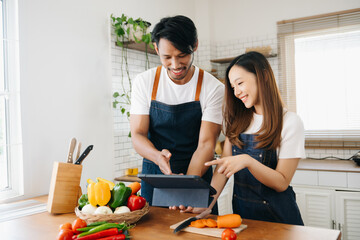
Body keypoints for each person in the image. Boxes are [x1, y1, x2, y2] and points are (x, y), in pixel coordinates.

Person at [183, 51, 305, 225]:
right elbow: (222, 169)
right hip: (243, 219)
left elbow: (282, 182)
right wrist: (206, 204)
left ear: (263, 76)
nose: (237, 92)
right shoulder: (238, 122)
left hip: (281, 221)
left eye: (240, 83)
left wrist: (248, 161)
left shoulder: (290, 122)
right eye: (233, 87)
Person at [130, 15, 224, 207]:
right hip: (155, 174)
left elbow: (206, 144)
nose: (175, 65)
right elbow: (137, 135)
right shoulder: (144, 82)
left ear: (195, 45)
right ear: (156, 49)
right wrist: (157, 156)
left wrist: (186, 186)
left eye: (182, 55)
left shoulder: (212, 87)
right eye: (167, 57)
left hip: (196, 174)